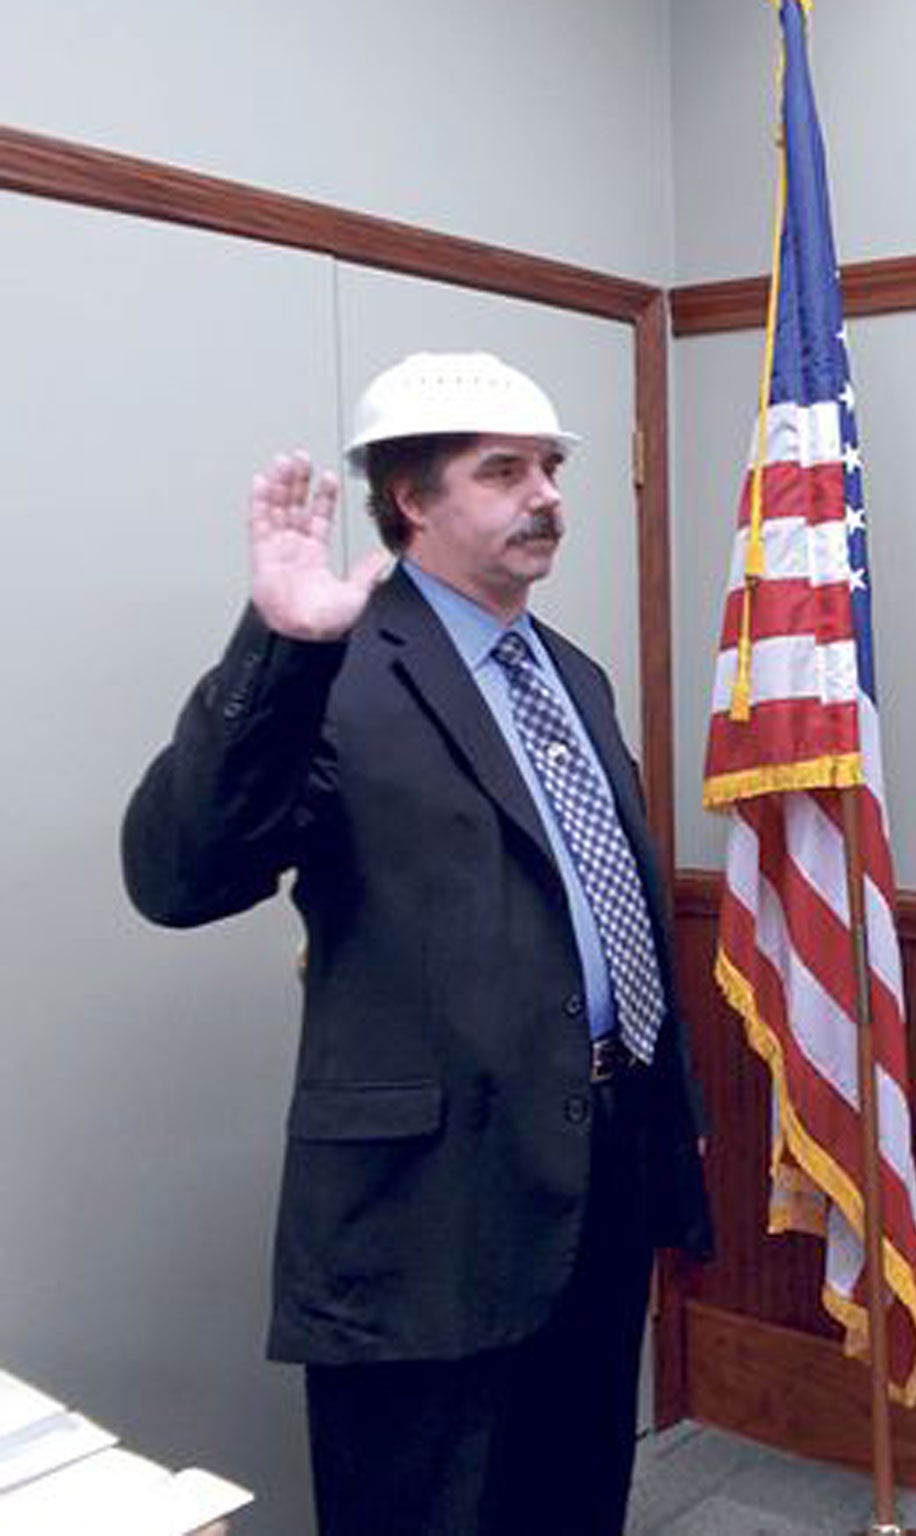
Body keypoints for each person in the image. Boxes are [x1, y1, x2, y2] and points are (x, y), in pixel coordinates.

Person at [123, 352, 712, 1536]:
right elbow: (177, 876)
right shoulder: (333, 671)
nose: (546, 494)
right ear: (411, 500)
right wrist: (276, 648)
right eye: (503, 471)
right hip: (425, 1212)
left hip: (595, 1170)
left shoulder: (573, 675)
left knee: (573, 1491)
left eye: (549, 467)